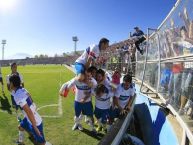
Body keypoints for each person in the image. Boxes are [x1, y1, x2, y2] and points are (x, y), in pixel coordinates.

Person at [9, 74, 51, 145]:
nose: (9, 84)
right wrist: (33, 106)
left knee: (42, 143)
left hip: (35, 122)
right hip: (30, 118)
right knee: (21, 127)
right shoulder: (22, 89)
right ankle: (21, 142)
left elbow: (28, 111)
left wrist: (34, 127)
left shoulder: (17, 96)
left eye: (10, 82)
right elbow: (29, 96)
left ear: (12, 83)